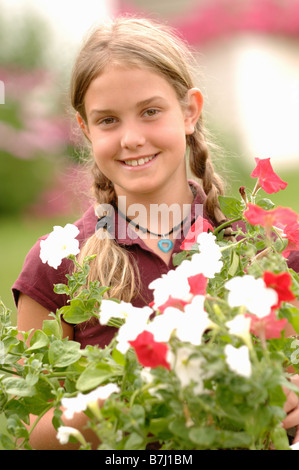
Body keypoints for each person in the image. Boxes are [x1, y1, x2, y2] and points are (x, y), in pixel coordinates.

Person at [12, 16, 299, 449]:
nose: (131, 138)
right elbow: (32, 432)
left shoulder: (260, 246)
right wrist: (132, 394)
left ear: (189, 111)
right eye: (108, 120)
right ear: (86, 129)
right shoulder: (58, 261)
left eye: (150, 112)